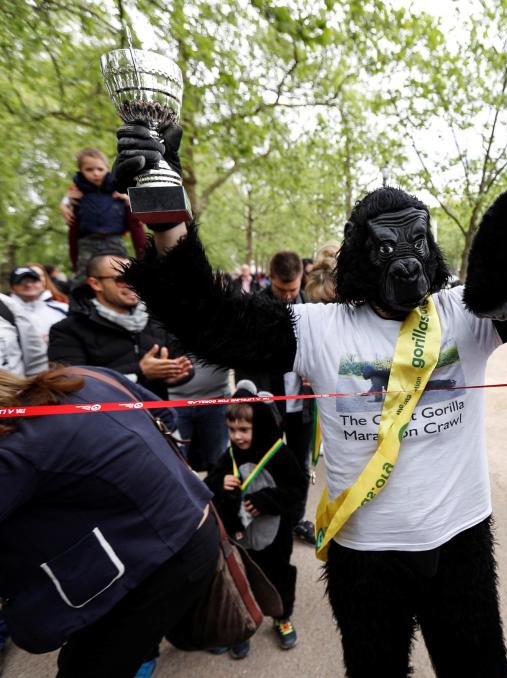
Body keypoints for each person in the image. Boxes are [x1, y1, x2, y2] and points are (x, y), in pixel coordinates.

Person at [0, 365, 219, 677]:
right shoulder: (80, 377)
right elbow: (166, 416)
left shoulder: (13, 449)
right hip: (194, 516)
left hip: (160, 561)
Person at [205, 382, 307, 658]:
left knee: (278, 576)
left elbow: (298, 488)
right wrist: (218, 482)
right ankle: (242, 626)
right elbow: (209, 485)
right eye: (232, 430)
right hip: (240, 540)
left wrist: (266, 500)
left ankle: (282, 617)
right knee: (241, 580)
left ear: (259, 426)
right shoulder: (230, 455)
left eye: (244, 430)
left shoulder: (279, 454)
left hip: (274, 537)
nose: (237, 437)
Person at [235, 251, 316, 544]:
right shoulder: (252, 309)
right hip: (269, 402)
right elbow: (242, 358)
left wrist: (315, 373)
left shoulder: (311, 307)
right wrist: (252, 400)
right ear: (269, 278)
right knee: (265, 461)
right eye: (281, 290)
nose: (287, 296)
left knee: (299, 465)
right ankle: (263, 514)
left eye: (292, 290)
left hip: (302, 405)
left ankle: (295, 519)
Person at [48, 254, 192, 400]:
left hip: (156, 418)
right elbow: (68, 382)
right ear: (95, 283)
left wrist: (176, 374)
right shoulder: (67, 330)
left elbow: (184, 362)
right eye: (122, 279)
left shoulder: (159, 318)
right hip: (102, 419)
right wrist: (139, 372)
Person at [60, 148, 146, 279]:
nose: (95, 173)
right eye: (89, 170)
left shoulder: (119, 190)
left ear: (107, 169)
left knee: (119, 277)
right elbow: (73, 228)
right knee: (84, 279)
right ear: (81, 171)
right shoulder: (77, 192)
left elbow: (136, 224)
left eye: (100, 169)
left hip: (114, 241)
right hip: (87, 243)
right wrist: (63, 205)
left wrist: (143, 256)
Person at [6, 266, 67, 345]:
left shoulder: (63, 309)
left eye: (33, 280)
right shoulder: (6, 315)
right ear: (12, 288)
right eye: (21, 282)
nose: (28, 285)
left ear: (42, 284)